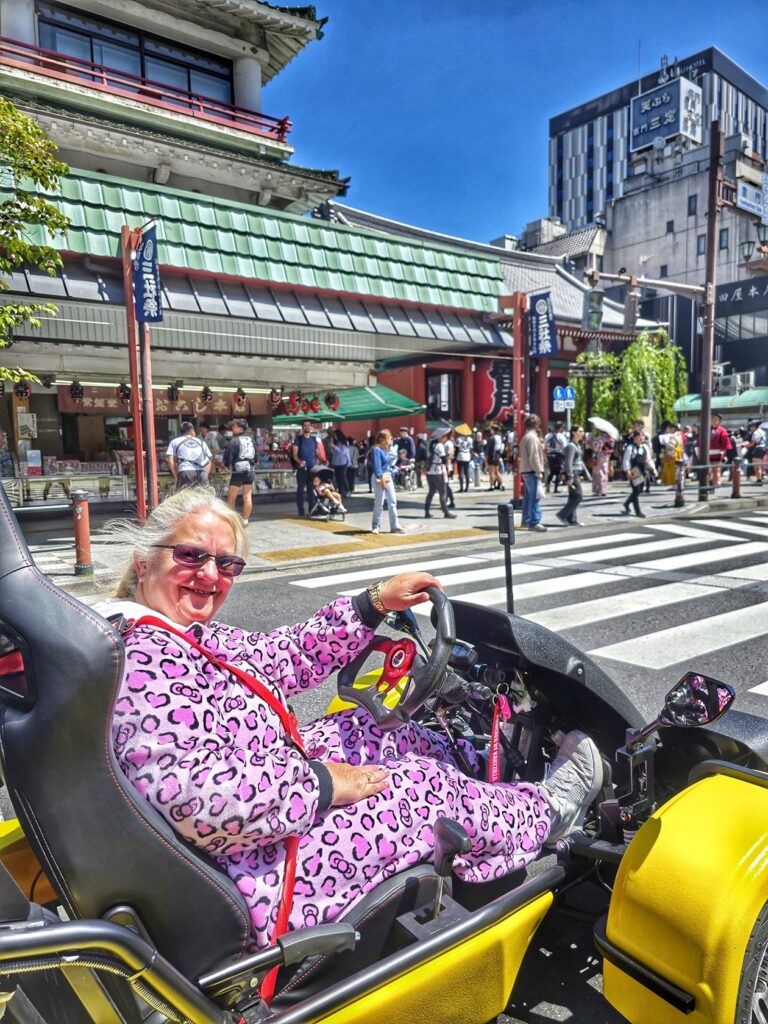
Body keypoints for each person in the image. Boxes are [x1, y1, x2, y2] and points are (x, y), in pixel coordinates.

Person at [98, 488, 602, 955]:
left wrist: (373, 603)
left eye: (227, 563)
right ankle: (547, 811)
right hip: (256, 873)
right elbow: (195, 799)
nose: (211, 575)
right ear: (144, 561)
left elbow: (280, 657)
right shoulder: (147, 657)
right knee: (422, 787)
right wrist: (322, 783)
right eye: (192, 556)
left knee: (369, 728)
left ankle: (491, 782)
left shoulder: (175, 633)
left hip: (255, 811)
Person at [370, 429, 404, 535]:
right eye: (389, 438)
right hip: (379, 477)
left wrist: (396, 469)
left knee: (392, 501)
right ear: (382, 439)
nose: (391, 439)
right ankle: (376, 526)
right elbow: (377, 466)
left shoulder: (386, 449)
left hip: (387, 476)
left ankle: (394, 525)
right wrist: (382, 480)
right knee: (379, 502)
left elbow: (389, 465)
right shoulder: (377, 450)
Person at [223, 418, 257, 523]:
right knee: (247, 496)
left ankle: (232, 520)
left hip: (238, 472)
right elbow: (256, 458)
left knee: (231, 497)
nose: (232, 428)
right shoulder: (252, 440)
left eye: (234, 426)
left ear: (240, 428)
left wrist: (226, 466)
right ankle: (245, 520)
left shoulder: (233, 441)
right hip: (250, 470)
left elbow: (228, 458)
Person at [519, 414, 546, 532]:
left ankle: (526, 519)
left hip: (526, 469)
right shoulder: (532, 438)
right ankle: (534, 521)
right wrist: (539, 470)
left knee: (528, 497)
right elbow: (534, 456)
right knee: (535, 497)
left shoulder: (526, 437)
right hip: (531, 470)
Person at [291, 420, 324, 518]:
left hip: (312, 469)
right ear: (302, 428)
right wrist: (300, 461)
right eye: (305, 426)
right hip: (302, 469)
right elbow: (294, 454)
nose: (307, 427)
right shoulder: (298, 439)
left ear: (311, 427)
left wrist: (323, 460)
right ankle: (301, 511)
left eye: (308, 425)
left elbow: (317, 452)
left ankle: (312, 509)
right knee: (300, 490)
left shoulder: (314, 439)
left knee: (311, 489)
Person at [166, 422, 212, 491]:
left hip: (185, 472)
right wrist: (205, 474)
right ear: (192, 430)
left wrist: (176, 477)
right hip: (201, 472)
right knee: (203, 498)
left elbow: (170, 461)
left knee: (185, 499)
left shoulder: (175, 441)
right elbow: (209, 460)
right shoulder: (201, 442)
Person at [621, 429, 657, 518]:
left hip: (643, 470)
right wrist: (627, 470)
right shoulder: (630, 447)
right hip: (634, 470)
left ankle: (627, 503)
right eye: (640, 436)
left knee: (639, 490)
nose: (642, 438)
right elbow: (626, 460)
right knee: (636, 490)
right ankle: (638, 512)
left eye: (643, 436)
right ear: (635, 437)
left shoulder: (645, 447)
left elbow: (648, 459)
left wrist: (653, 469)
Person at [424, 426, 456, 520]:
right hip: (438, 471)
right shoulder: (440, 445)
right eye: (444, 436)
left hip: (430, 472)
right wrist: (450, 456)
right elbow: (443, 459)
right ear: (440, 437)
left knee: (431, 492)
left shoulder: (431, 445)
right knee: (443, 492)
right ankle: (446, 512)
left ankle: (426, 512)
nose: (446, 438)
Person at [557, 425, 586, 527]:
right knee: (579, 495)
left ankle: (572, 519)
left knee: (573, 496)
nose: (582, 433)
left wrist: (587, 473)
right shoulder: (570, 446)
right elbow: (568, 462)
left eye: (582, 432)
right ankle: (562, 514)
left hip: (576, 472)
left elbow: (580, 461)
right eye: (580, 431)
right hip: (573, 473)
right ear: (573, 432)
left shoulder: (577, 445)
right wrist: (569, 476)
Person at [708, 413, 733, 487]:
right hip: (707, 453)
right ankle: (710, 482)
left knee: (716, 469)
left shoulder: (722, 431)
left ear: (719, 421)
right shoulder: (707, 429)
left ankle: (718, 482)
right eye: (712, 419)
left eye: (716, 420)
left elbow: (726, 445)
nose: (713, 421)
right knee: (708, 470)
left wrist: (723, 455)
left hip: (718, 453)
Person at [588, 430, 613, 497]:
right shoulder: (610, 438)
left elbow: (596, 448)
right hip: (606, 456)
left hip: (600, 455)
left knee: (598, 472)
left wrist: (591, 444)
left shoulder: (601, 437)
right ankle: (603, 490)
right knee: (604, 472)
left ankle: (599, 490)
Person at [544, 422, 566, 493]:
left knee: (552, 472)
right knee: (558, 472)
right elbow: (564, 447)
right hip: (557, 455)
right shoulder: (561, 436)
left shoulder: (548, 436)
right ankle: (555, 488)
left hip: (550, 454)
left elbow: (545, 444)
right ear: (560, 428)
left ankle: (547, 485)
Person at [329, 429, 351, 497]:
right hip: (336, 462)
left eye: (335, 435)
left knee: (343, 477)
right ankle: (341, 491)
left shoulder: (345, 442)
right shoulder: (337, 442)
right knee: (338, 478)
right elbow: (333, 452)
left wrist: (334, 447)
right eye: (334, 435)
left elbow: (342, 452)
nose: (335, 437)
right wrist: (332, 448)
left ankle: (347, 490)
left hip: (342, 462)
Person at [745, 420, 765, 485]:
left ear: (754, 426)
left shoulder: (755, 433)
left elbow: (752, 444)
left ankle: (759, 480)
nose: (750, 428)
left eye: (751, 427)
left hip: (758, 449)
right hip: (764, 448)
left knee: (756, 466)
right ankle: (760, 478)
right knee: (760, 465)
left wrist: (745, 445)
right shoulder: (762, 431)